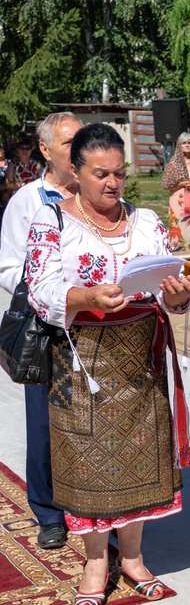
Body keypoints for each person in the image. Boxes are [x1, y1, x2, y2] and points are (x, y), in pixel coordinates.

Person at [24, 123, 190, 605]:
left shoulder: (146, 222)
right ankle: (96, 562)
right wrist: (85, 297)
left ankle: (134, 557)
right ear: (76, 172)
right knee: (85, 460)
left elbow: (169, 287)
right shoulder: (53, 221)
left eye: (119, 173)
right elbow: (40, 288)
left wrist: (178, 296)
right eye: (101, 174)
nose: (112, 183)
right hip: (82, 360)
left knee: (139, 454)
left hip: (140, 359)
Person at [0, 111, 82, 550]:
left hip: (94, 324)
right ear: (47, 150)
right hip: (45, 327)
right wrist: (51, 286)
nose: (79, 148)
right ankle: (48, 512)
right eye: (69, 142)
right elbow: (8, 267)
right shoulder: (27, 202)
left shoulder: (96, 194)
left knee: (92, 419)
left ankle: (92, 503)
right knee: (44, 423)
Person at [162, 132, 190, 252]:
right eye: (184, 143)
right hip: (178, 201)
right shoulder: (173, 164)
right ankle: (180, 253)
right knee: (179, 226)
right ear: (179, 145)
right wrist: (182, 184)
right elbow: (167, 185)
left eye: (189, 143)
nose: (187, 145)